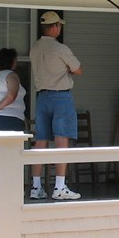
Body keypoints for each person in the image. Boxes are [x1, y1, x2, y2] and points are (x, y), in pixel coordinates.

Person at [28, 11, 83, 201]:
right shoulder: (61, 48)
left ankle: (36, 186)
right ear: (54, 27)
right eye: (59, 25)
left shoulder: (34, 48)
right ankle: (59, 186)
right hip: (61, 97)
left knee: (40, 141)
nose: (60, 28)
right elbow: (78, 69)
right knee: (62, 139)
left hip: (41, 97)